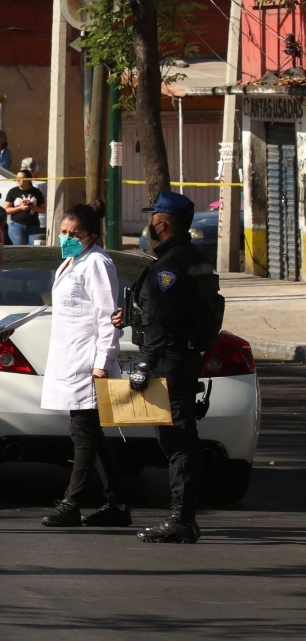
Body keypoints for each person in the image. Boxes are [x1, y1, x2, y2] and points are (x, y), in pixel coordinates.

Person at [112, 190, 218, 544]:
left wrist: (145, 365)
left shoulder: (168, 266)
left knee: (177, 441)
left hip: (168, 362)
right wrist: (129, 316)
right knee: (180, 438)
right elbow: (190, 310)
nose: (150, 224)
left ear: (162, 223)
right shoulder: (196, 258)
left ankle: (181, 520)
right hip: (184, 357)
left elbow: (161, 318)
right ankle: (183, 517)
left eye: (152, 218)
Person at [39, 201, 131, 528]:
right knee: (91, 434)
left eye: (74, 234)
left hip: (88, 363)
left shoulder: (96, 263)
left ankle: (72, 501)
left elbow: (108, 318)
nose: (66, 238)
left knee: (83, 434)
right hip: (71, 360)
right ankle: (117, 503)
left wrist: (103, 362)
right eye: (63, 231)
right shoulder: (71, 261)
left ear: (92, 236)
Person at [4, 170, 46, 245]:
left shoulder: (36, 192)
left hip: (33, 226)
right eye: (17, 178)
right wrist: (20, 208)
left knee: (35, 249)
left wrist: (34, 207)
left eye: (21, 178)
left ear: (28, 180)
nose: (18, 180)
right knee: (20, 250)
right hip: (16, 226)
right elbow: (6, 210)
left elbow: (44, 210)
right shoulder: (13, 191)